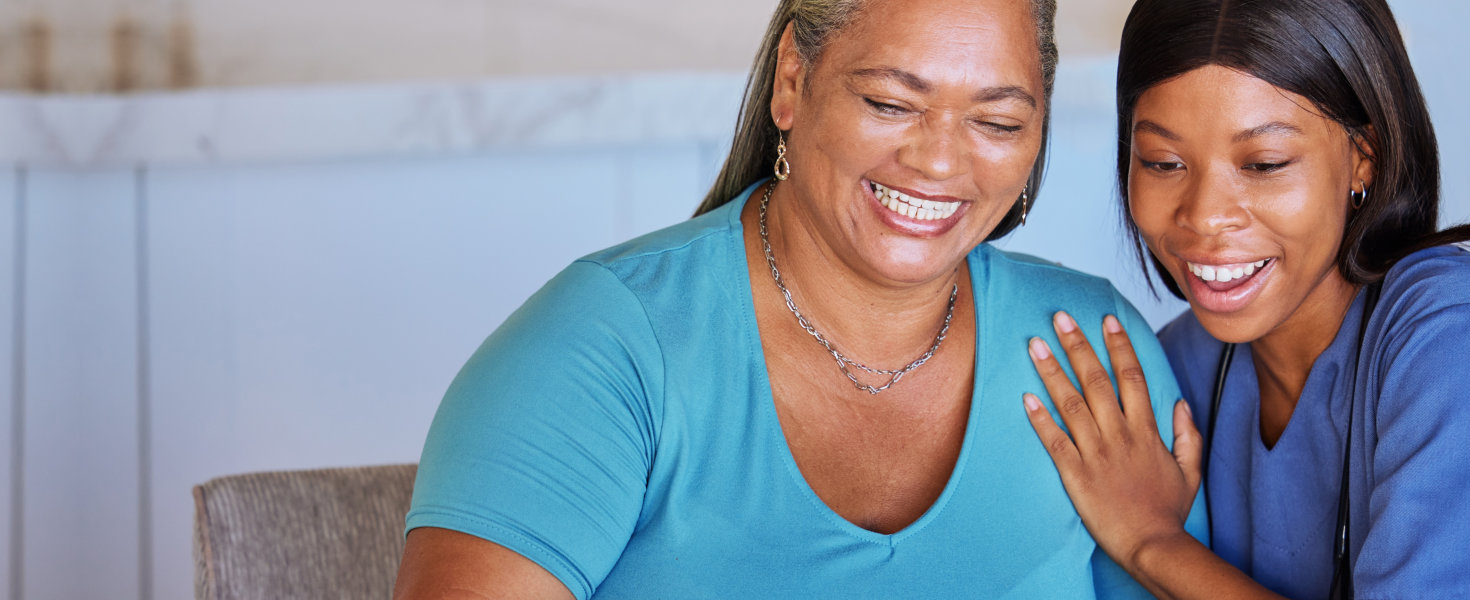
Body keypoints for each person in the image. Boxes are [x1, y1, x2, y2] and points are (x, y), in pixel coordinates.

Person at [391, 0, 1205, 597]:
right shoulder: (603, 350)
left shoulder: (1090, 349)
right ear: (793, 80)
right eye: (890, 103)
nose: (939, 161)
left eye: (996, 122)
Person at [1019, 0, 1470, 598]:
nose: (1206, 216)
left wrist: (1152, 541)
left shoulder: (1463, 341)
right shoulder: (1179, 367)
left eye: (1264, 163)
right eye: (1162, 162)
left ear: (1365, 158)